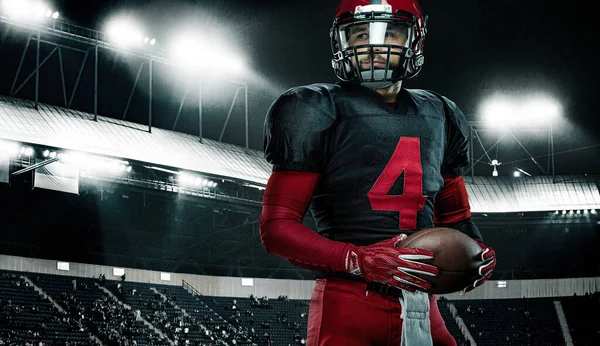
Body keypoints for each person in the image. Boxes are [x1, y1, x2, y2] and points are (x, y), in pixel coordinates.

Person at [259, 1, 497, 345]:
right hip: (349, 299)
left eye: (391, 32)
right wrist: (360, 259)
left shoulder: (442, 113)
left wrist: (477, 250)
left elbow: (457, 217)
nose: (374, 46)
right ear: (342, 42)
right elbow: (276, 228)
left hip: (422, 303)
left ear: (413, 40)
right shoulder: (314, 108)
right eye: (360, 34)